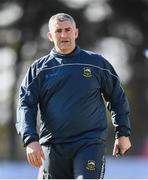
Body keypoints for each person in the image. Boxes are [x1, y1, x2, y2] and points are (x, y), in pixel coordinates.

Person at [16, 13, 131, 179]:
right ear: (50, 36)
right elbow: (25, 105)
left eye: (68, 30)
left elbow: (117, 98)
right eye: (58, 31)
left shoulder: (96, 63)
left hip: (89, 144)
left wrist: (123, 133)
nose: (64, 35)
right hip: (53, 146)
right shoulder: (38, 69)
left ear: (76, 32)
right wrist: (30, 140)